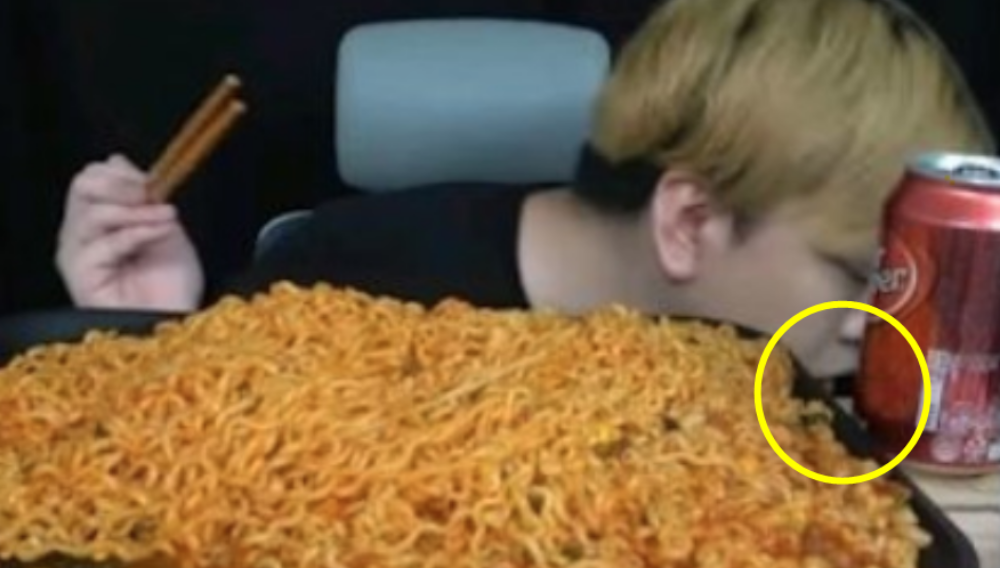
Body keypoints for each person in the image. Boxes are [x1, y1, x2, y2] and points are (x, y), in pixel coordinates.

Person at [55, 0, 995, 379]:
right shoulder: (330, 283)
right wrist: (142, 341)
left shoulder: (821, 382)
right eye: (863, 278)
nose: (892, 328)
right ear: (690, 220)